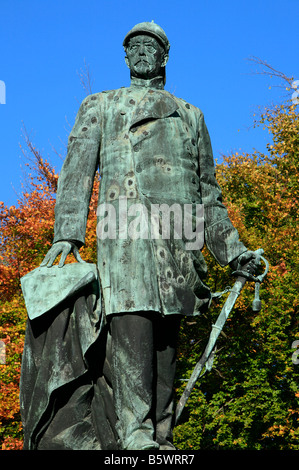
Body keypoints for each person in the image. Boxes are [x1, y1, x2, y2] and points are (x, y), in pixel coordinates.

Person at [40, 22, 257, 450]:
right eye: (133, 47)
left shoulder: (191, 114)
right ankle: (135, 436)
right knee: (132, 329)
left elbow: (209, 196)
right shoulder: (102, 105)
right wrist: (68, 233)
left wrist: (235, 253)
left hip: (182, 235)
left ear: (164, 56)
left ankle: (162, 435)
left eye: (150, 46)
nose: (141, 52)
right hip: (126, 231)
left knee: (165, 347)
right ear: (125, 58)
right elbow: (77, 172)